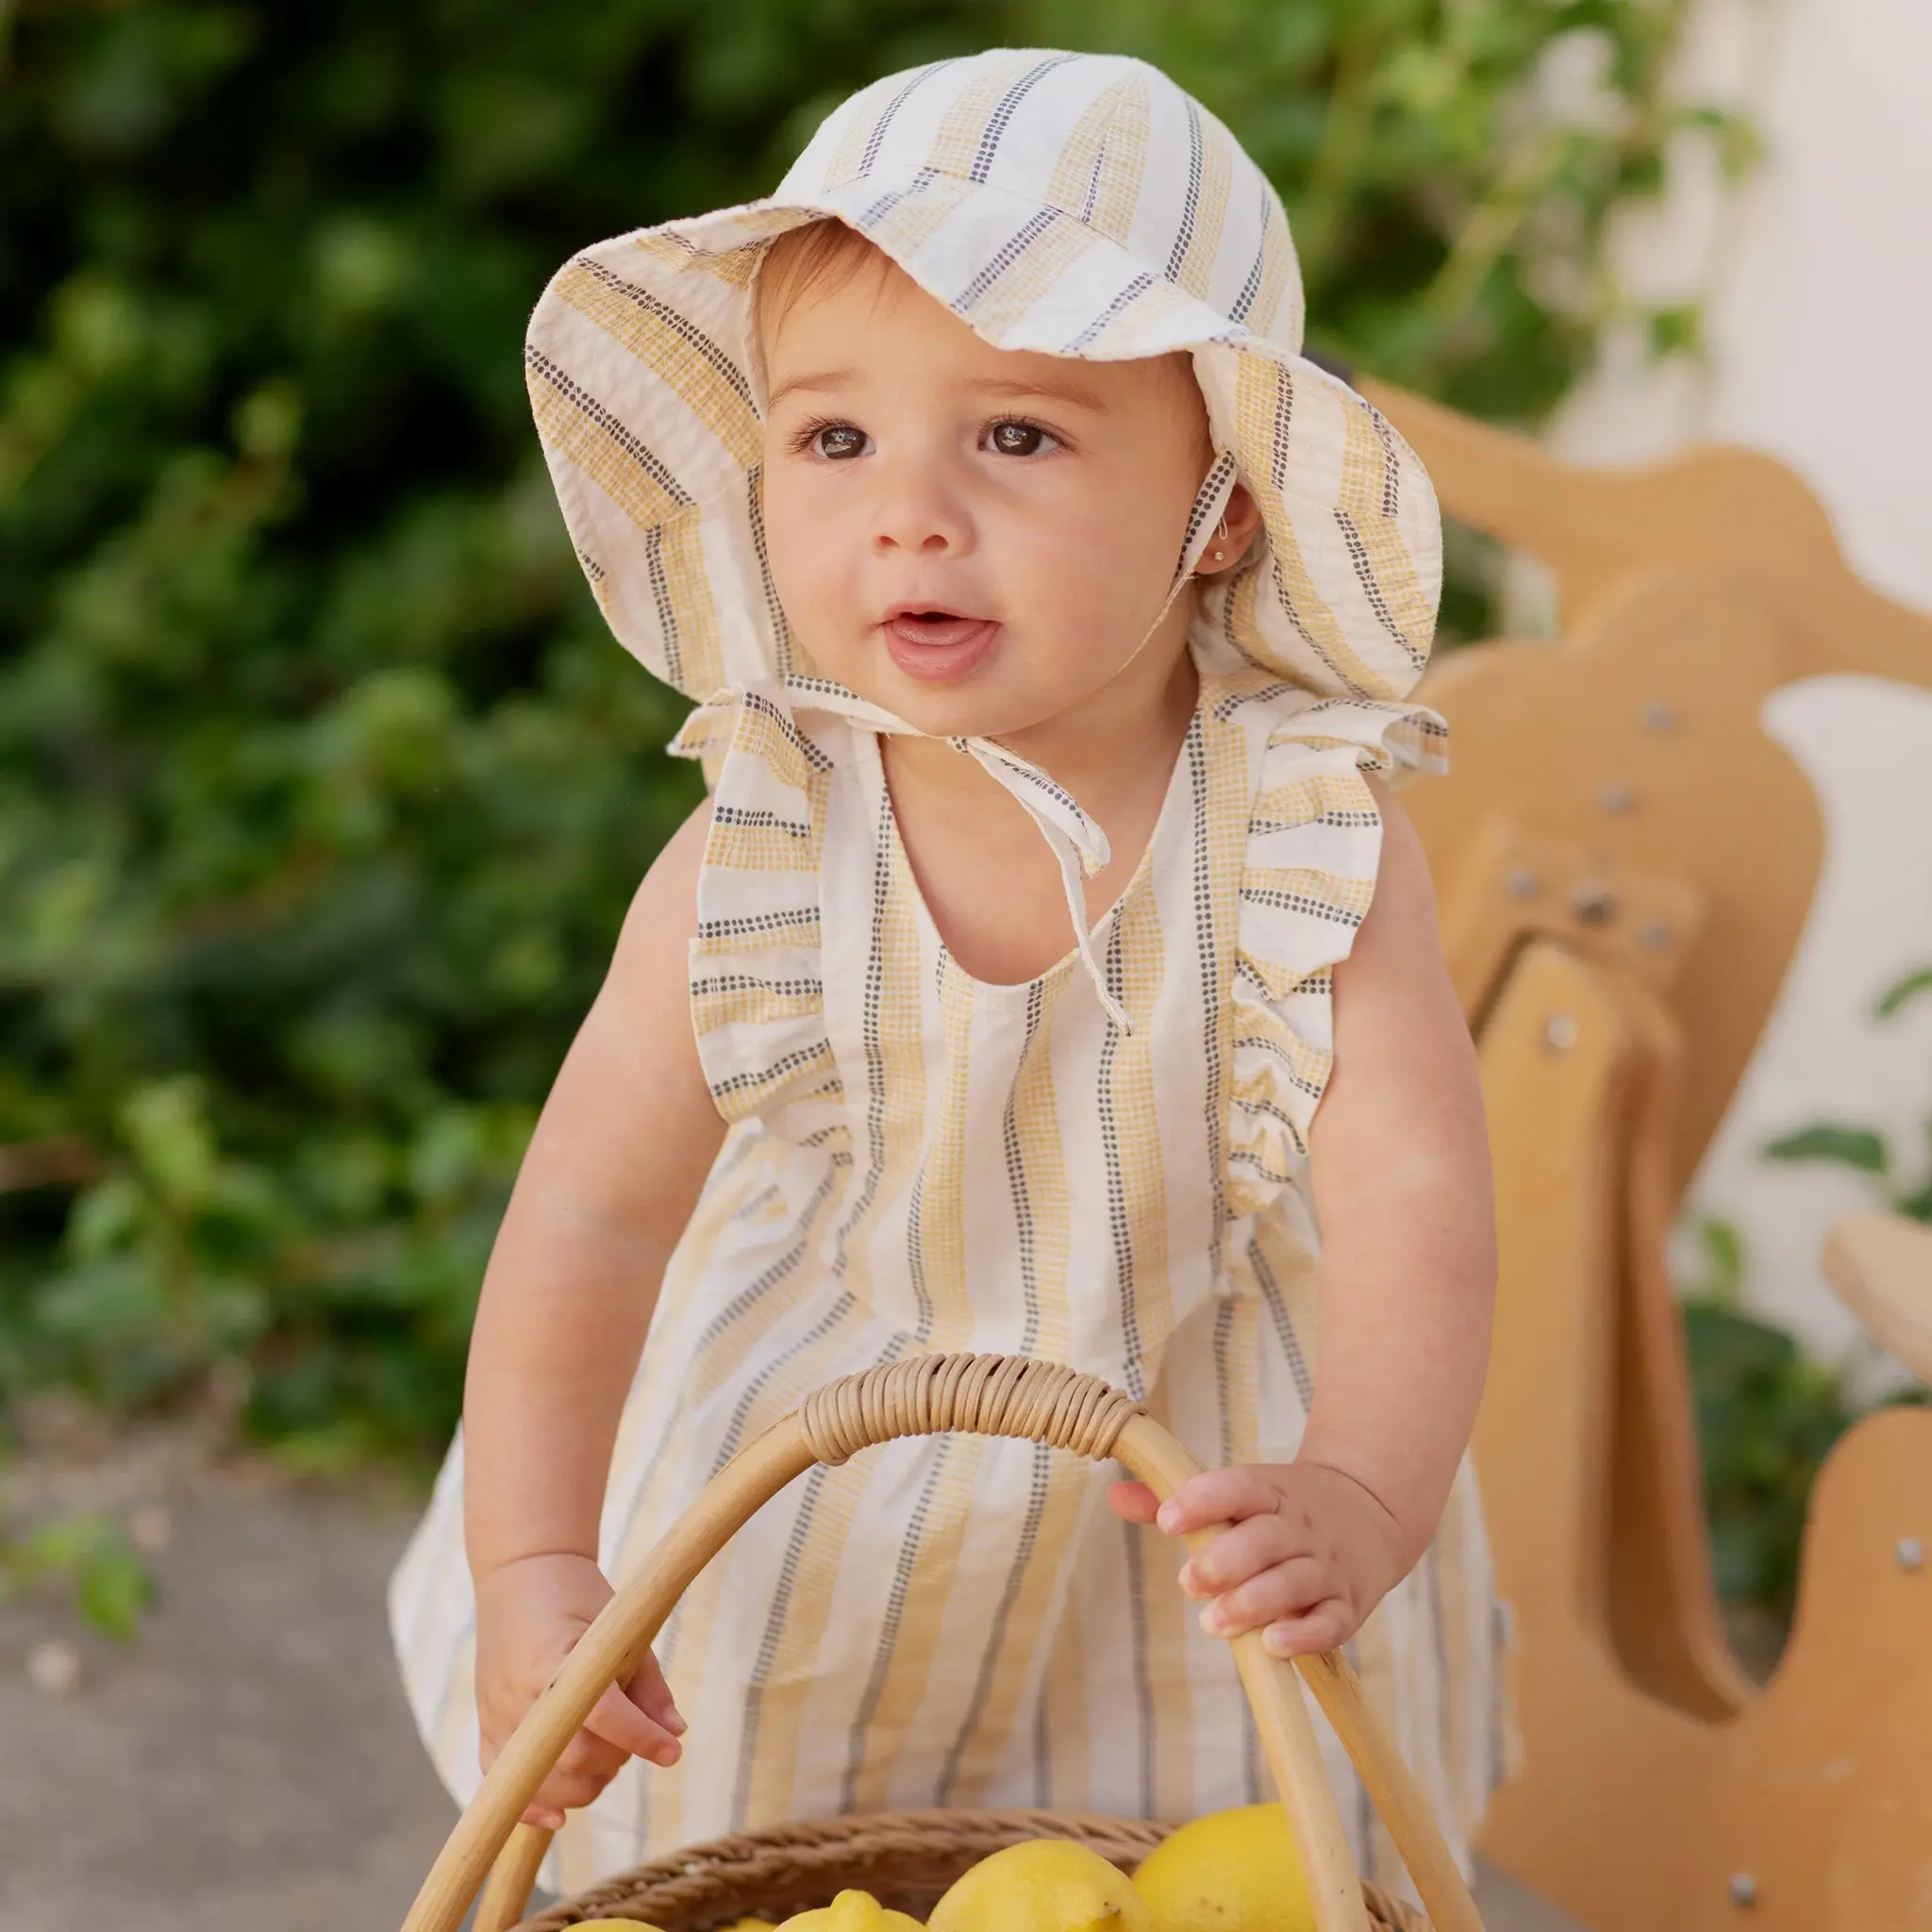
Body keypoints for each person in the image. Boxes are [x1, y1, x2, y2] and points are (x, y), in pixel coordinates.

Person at [391, 47, 1506, 1903]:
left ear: (1216, 505)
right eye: (834, 439)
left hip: (1177, 1520)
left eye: (1016, 435)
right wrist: (537, 1572)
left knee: (1190, 1876)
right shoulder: (760, 841)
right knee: (763, 1866)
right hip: (803, 1517)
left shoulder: (1304, 838)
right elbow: (585, 1216)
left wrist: (1360, 1494)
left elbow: (1414, 1200)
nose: (908, 510)